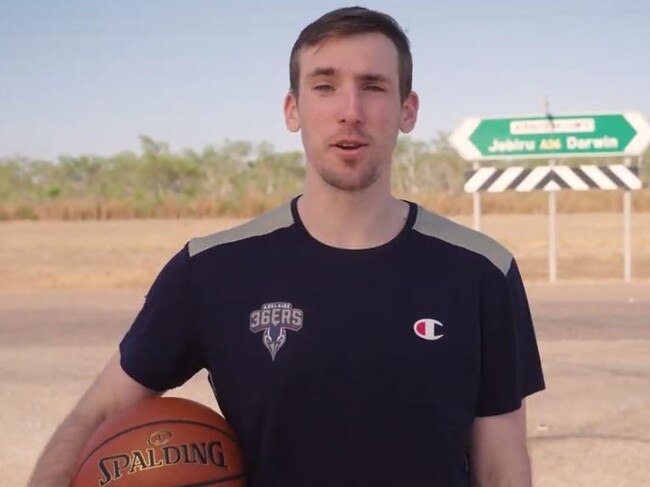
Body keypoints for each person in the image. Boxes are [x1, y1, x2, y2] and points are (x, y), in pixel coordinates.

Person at [29, 6, 544, 486]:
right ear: (292, 109)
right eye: (325, 86)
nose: (350, 111)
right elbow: (97, 416)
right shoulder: (212, 270)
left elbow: (502, 466)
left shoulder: (480, 271)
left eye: (374, 87)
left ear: (407, 111)